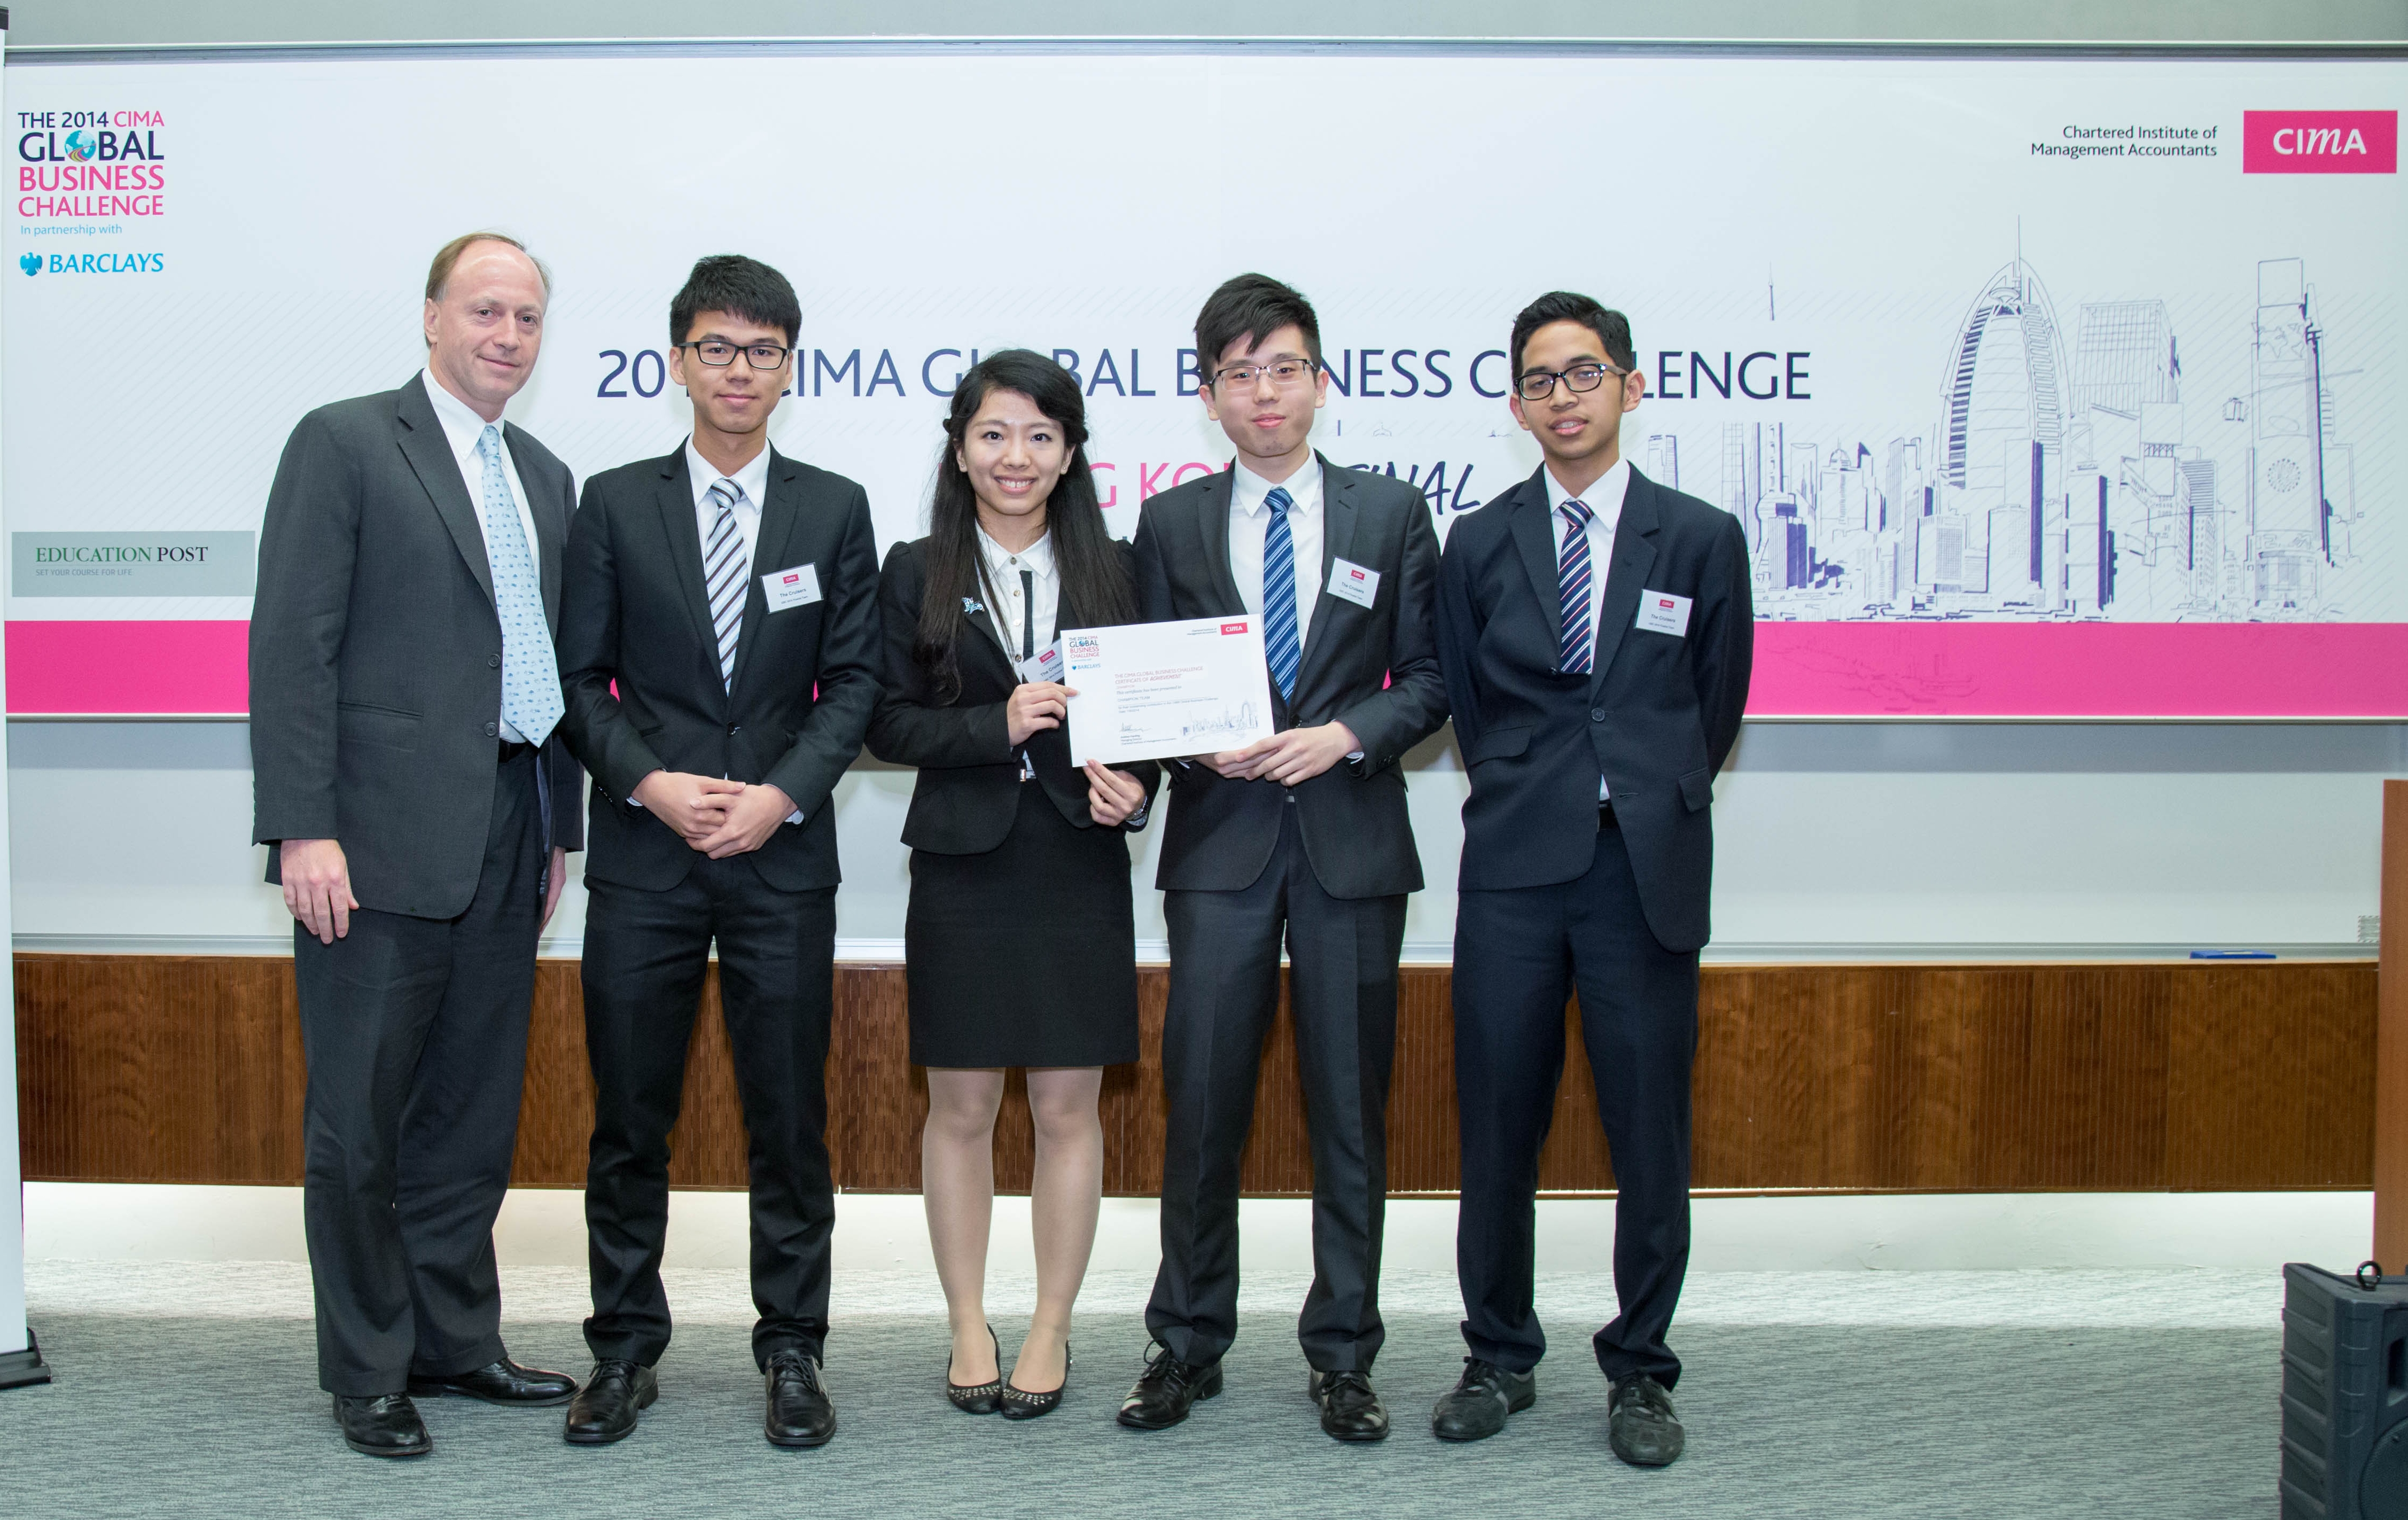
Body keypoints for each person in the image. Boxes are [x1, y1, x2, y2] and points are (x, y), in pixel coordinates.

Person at [250, 231, 583, 1459]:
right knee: (360, 1121)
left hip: (511, 828)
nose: (507, 335)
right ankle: (368, 1367)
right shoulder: (344, 442)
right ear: (433, 317)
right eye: (485, 310)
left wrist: (559, 827)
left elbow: (547, 660)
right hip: (372, 841)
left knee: (469, 1112)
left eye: (527, 318)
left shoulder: (543, 473)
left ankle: (453, 1338)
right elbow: (292, 647)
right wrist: (303, 827)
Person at [552, 254, 881, 1450]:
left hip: (780, 862)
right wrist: (650, 782)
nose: (739, 370)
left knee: (787, 1119)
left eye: (762, 351)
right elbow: (579, 679)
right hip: (647, 856)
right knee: (629, 1119)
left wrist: (781, 796)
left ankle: (793, 1347)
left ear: (790, 367)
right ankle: (622, 1350)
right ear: (678, 361)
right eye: (717, 348)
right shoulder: (613, 502)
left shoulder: (833, 507)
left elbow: (855, 682)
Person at [1119, 275, 1447, 1443]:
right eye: (1240, 373)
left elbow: (1431, 679)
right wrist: (1174, 743)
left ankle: (1345, 1354)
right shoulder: (1169, 524)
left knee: (1349, 1110)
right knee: (1202, 1102)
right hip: (1221, 847)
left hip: (1351, 843)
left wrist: (1345, 733)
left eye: (1285, 368)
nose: (1265, 392)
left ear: (1320, 380)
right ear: (1209, 394)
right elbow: (1143, 679)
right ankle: (1185, 1343)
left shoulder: (1391, 514)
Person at [1430, 292, 1753, 1466]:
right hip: (1517, 862)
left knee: (1648, 1128)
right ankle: (1498, 1355)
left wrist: (1637, 785)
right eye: (1538, 380)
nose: (1562, 396)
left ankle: (1642, 1370)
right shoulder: (1477, 541)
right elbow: (1470, 702)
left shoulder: (1701, 535)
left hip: (1643, 867)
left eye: (1583, 372)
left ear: (1630, 384)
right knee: (1496, 1124)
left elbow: (1714, 699)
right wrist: (1543, 781)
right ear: (1517, 407)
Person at [865, 349, 1160, 1422]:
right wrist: (993, 725)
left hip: (1077, 859)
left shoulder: (1117, 569)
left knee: (1068, 1107)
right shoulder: (915, 569)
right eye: (993, 434)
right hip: (964, 863)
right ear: (959, 449)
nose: (1016, 456)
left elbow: (1157, 716)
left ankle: (1050, 1323)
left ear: (1071, 453)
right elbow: (883, 721)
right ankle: (966, 1322)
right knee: (961, 1107)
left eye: (1041, 435)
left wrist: (1140, 790)